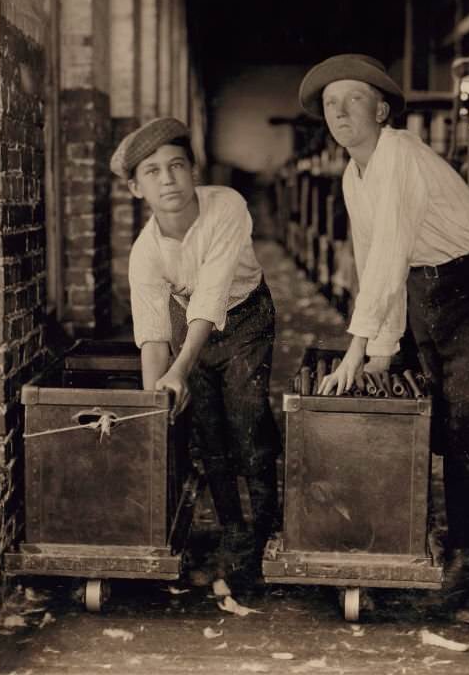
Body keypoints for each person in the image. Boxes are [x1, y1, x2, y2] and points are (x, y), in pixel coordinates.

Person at [299, 54, 469, 624]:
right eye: (330, 104)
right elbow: (371, 263)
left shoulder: (399, 155)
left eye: (353, 100)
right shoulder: (354, 172)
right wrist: (380, 349)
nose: (341, 113)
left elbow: (389, 256)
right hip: (427, 292)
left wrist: (358, 351)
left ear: (382, 109)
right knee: (445, 432)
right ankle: (465, 560)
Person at [113, 117, 282, 588]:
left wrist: (180, 369)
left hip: (245, 316)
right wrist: (155, 405)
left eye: (176, 166)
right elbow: (151, 332)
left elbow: (210, 297)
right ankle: (233, 530)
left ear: (194, 171)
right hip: (186, 323)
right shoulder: (145, 253)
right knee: (207, 428)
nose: (167, 179)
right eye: (152, 172)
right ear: (135, 188)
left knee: (247, 420)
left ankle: (269, 527)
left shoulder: (227, 206)